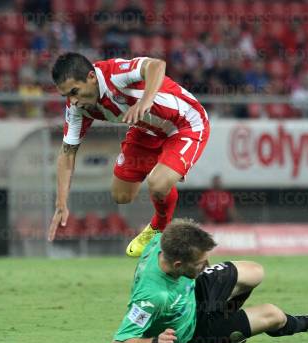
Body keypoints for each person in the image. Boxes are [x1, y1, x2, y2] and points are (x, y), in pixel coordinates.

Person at [46, 53, 210, 258]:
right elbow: (67, 153)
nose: (73, 101)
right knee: (121, 195)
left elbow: (157, 65)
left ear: (91, 77)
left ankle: (158, 228)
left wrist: (145, 102)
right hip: (146, 129)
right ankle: (164, 180)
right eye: (67, 96)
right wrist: (61, 202)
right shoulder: (77, 108)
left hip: (186, 124)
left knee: (158, 184)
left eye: (75, 92)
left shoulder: (114, 73)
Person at [111, 219, 308, 343]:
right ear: (179, 263)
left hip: (194, 292)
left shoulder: (159, 241)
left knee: (255, 272)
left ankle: (232, 326)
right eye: (201, 263)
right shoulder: (152, 296)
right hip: (196, 332)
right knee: (273, 314)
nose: (208, 264)